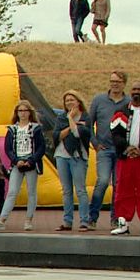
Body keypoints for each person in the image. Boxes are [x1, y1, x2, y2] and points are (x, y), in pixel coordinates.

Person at [109, 82, 140, 236]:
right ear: (130, 92)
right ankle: (123, 222)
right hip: (125, 158)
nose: (136, 92)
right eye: (134, 89)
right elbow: (115, 133)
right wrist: (127, 148)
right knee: (123, 189)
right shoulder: (120, 112)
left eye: (139, 90)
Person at [0, 100, 45, 231]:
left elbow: (41, 147)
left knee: (32, 192)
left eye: (25, 111)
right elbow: (8, 148)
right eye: (20, 111)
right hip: (17, 163)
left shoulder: (36, 128)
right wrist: (15, 160)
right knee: (12, 191)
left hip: (31, 163)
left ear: (29, 113)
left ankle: (28, 220)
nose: (23, 113)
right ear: (16, 113)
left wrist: (32, 160)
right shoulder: (12, 129)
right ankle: (2, 220)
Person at [87, 70, 129, 229]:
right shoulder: (99, 100)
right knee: (103, 181)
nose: (114, 84)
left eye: (117, 82)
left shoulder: (129, 102)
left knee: (119, 184)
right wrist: (95, 143)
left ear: (124, 83)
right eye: (112, 81)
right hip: (103, 149)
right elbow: (89, 123)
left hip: (121, 150)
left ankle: (115, 218)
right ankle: (93, 217)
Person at [52, 90, 93, 231]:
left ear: (78, 101)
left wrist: (71, 120)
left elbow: (79, 134)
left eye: (72, 100)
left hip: (78, 157)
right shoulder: (61, 117)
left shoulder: (86, 117)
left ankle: (84, 220)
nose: (69, 102)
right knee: (66, 190)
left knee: (80, 190)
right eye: (67, 100)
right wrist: (70, 124)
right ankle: (67, 221)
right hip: (62, 156)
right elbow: (57, 135)